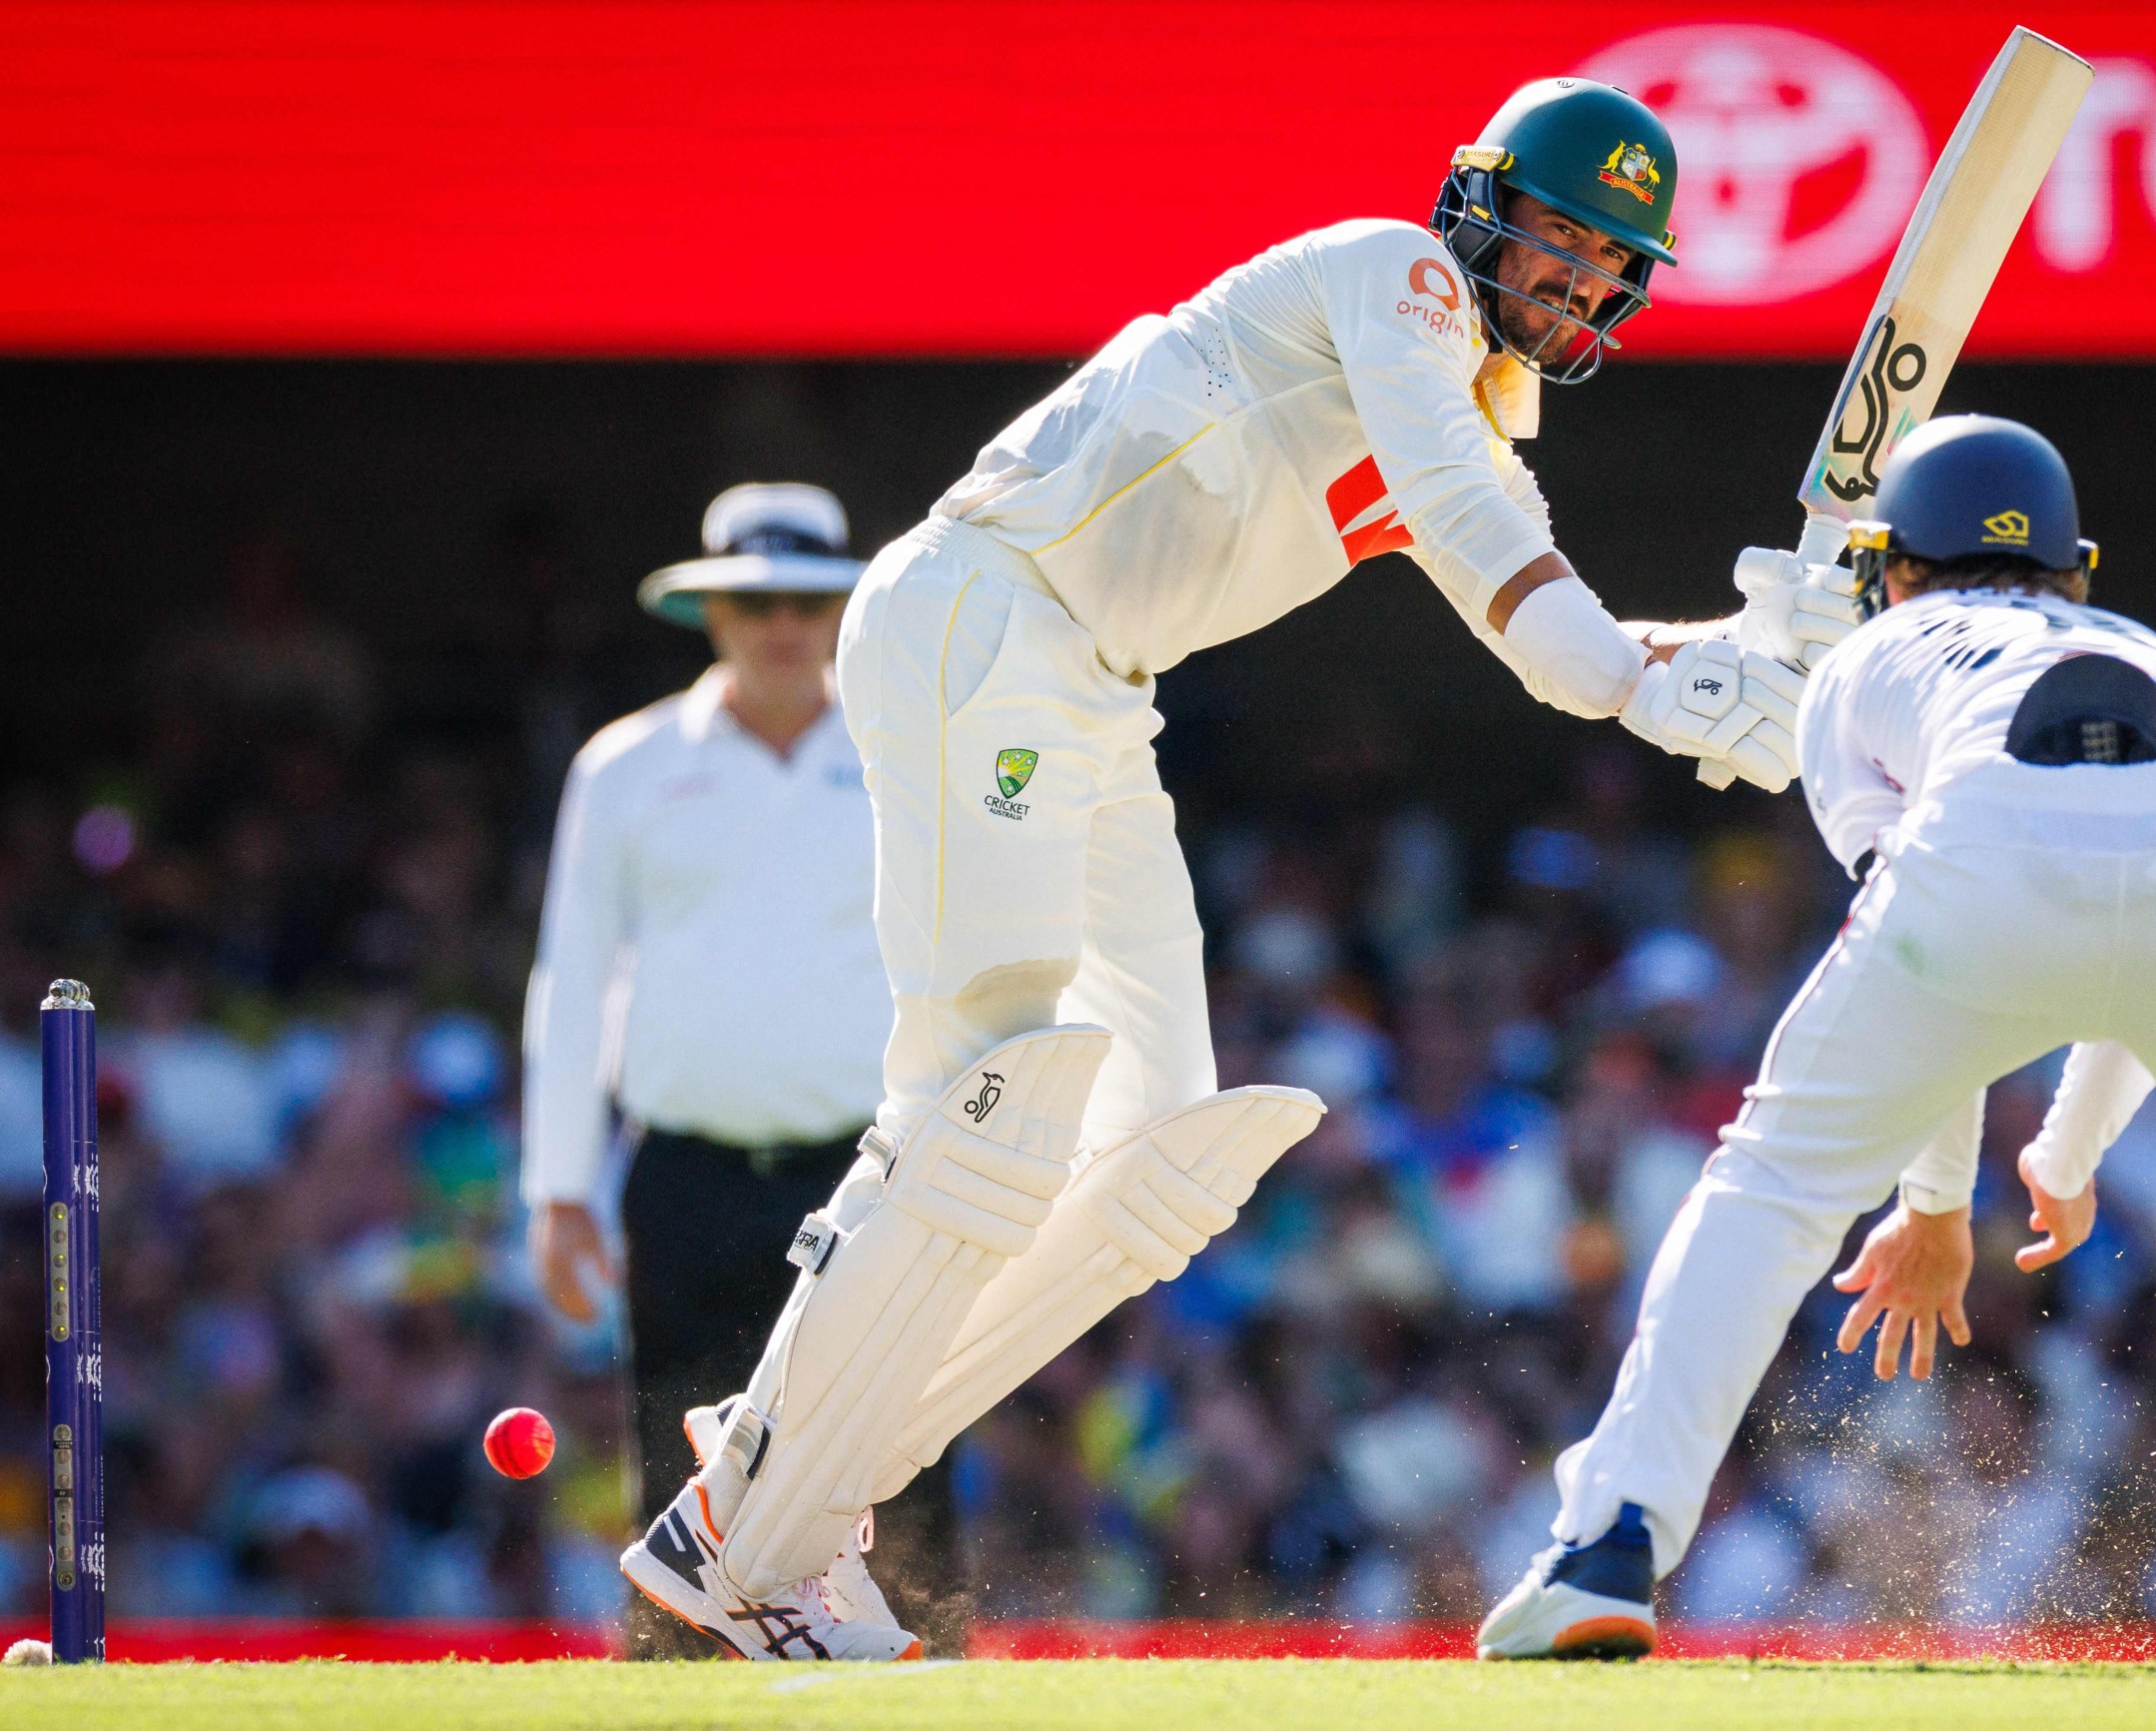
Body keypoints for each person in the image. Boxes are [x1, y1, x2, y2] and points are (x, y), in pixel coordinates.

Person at [617, 78, 1863, 1659]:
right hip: (988, 616)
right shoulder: (1390, 283)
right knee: (983, 1087)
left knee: (1157, 1146)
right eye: (1559, 238)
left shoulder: (1469, 416)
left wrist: (1765, 670)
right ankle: (742, 1522)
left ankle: (790, 1480)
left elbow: (1550, 629)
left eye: (1612, 263)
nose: (1579, 280)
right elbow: (1526, 584)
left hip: (1093, 693)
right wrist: (1648, 678)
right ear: (1481, 206)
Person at [1475, 416, 2156, 1664]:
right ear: (2075, 569)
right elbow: (2131, 929)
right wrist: (2060, 1155)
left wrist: (1942, 1206)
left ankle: (1606, 1549)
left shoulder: (1869, 654)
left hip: (1987, 836)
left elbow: (1931, 939)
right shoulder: (2146, 644)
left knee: (1768, 1184)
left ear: (1887, 565)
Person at [522, 484, 954, 1652]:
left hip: (865, 1173)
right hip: (685, 1177)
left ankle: (924, 1675)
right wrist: (558, 1187)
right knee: (677, 1454)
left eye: (806, 599)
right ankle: (679, 1683)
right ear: (710, 610)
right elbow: (569, 978)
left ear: (839, 609)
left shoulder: (903, 749)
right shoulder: (626, 766)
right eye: (755, 598)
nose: (781, 624)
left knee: (888, 1447)